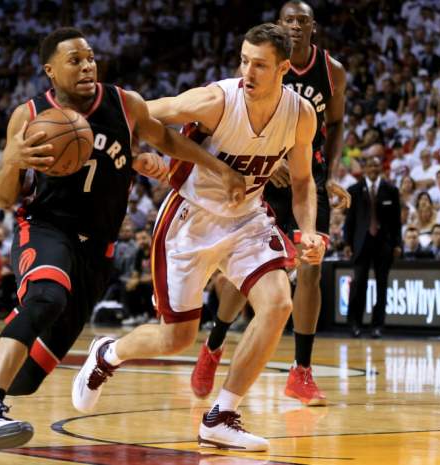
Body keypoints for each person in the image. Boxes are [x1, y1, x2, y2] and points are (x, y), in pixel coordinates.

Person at [0, 27, 244, 457]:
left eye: (90, 59)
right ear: (50, 71)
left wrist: (219, 169)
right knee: (46, 296)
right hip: (46, 228)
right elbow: (6, 197)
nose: (87, 67)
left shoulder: (125, 103)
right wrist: (13, 161)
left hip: (96, 251)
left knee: (25, 377)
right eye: (74, 61)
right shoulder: (29, 116)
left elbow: (169, 139)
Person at [72, 23, 325, 451]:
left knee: (279, 302)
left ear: (284, 68)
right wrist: (120, 139)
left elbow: (302, 182)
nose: (248, 71)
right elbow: (142, 111)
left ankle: (222, 414)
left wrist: (311, 230)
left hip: (246, 220)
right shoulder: (217, 100)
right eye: (244, 60)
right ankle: (106, 355)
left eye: (260, 65)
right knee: (177, 338)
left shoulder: (301, 114)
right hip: (190, 220)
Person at [190, 0, 348, 407]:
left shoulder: (331, 72)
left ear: (313, 27)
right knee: (250, 276)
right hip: (262, 177)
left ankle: (302, 372)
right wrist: (268, 157)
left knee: (311, 266)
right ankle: (214, 346)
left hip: (304, 178)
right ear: (279, 26)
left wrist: (328, 174)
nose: (295, 26)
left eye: (303, 20)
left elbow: (334, 125)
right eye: (289, 20)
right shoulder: (260, 66)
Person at [344, 156, 402, 339]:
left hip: (384, 243)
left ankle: (378, 326)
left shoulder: (391, 190)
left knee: (382, 285)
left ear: (381, 167)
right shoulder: (353, 190)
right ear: (364, 168)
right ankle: (355, 324)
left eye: (376, 164)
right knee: (358, 284)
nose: (373, 167)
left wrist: (398, 243)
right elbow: (350, 220)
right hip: (361, 243)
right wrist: (346, 243)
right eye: (370, 164)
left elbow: (396, 221)